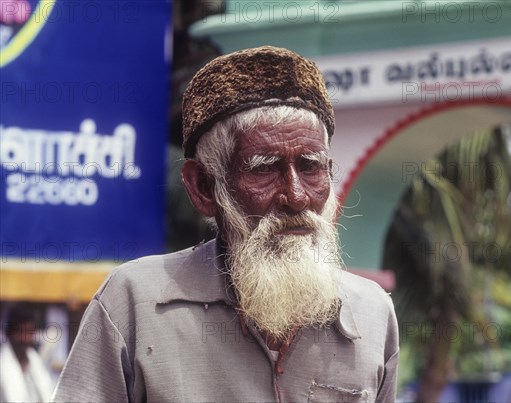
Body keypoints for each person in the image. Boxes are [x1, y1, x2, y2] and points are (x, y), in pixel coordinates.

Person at [52, 46, 399, 402]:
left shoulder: (372, 313)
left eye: (311, 166)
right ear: (203, 187)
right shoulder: (134, 302)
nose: (296, 196)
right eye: (264, 168)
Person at [1, 305, 55, 402]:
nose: (26, 339)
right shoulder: (3, 366)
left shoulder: (34, 360)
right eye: (22, 333)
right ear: (10, 334)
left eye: (30, 333)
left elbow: (48, 393)